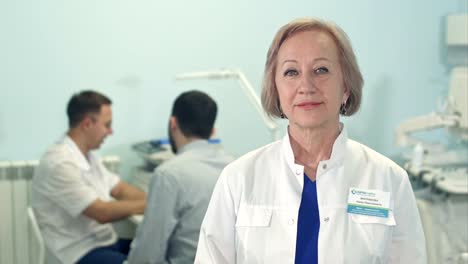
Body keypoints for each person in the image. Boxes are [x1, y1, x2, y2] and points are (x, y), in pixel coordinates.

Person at [194, 17, 427, 263]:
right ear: (276, 88)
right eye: (291, 72)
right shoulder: (238, 178)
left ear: (346, 87)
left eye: (321, 70)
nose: (306, 85)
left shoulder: (388, 179)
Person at [31, 90, 146, 264]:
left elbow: (119, 188)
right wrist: (153, 203)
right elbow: (102, 212)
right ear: (86, 124)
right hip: (78, 252)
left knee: (157, 251)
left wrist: (153, 198)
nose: (111, 132)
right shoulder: (59, 163)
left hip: (103, 243)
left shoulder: (88, 156)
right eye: (107, 125)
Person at [127, 90, 235, 264]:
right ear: (212, 130)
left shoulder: (169, 174)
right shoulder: (235, 167)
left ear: (173, 123)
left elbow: (147, 254)